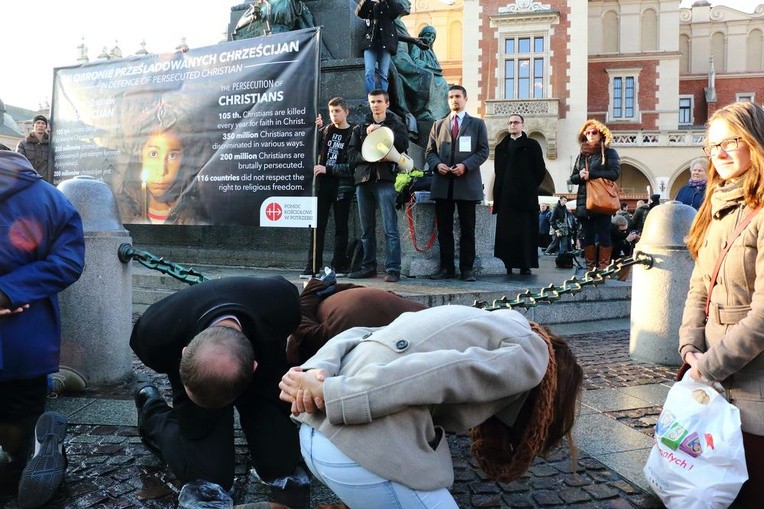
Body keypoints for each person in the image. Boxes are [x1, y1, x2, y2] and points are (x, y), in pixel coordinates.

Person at [279, 305, 583, 509]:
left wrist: (314, 374)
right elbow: (440, 371)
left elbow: (363, 333)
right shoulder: (532, 355)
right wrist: (335, 395)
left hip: (313, 436)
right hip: (360, 451)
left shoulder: (485, 320)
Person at [129, 276, 307, 501]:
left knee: (280, 465)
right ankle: (152, 410)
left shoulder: (281, 304)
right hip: (199, 368)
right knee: (210, 477)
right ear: (183, 353)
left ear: (253, 368)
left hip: (263, 371)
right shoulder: (155, 334)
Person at [678, 101, 764, 508]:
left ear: (755, 141)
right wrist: (689, 344)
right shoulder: (715, 206)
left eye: (731, 141)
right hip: (710, 378)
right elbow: (699, 286)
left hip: (752, 391)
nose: (721, 153)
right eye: (713, 146)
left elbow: (763, 318)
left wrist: (707, 366)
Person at [0, 151, 85, 508]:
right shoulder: (50, 199)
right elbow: (67, 262)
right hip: (26, 336)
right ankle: (29, 455)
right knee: (22, 411)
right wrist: (9, 292)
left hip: (23, 338)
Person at [426, 85, 489, 282]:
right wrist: (437, 165)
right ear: (448, 100)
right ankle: (446, 268)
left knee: (467, 229)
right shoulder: (438, 124)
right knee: (444, 229)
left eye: (458, 96)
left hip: (467, 183)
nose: (454, 100)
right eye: (451, 97)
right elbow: (430, 152)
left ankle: (466, 269)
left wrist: (465, 165)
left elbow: (483, 151)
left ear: (465, 99)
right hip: (443, 184)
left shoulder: (477, 124)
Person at [286, 275, 425, 364]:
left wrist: (313, 290)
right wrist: (313, 289)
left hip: (408, 321)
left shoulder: (327, 335)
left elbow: (301, 327)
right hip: (416, 316)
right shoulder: (327, 313)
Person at [347, 89, 409, 283]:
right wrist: (368, 153)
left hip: (385, 180)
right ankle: (368, 266)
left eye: (379, 101)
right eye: (372, 102)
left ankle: (393, 268)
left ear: (387, 104)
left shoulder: (396, 125)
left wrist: (381, 133)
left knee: (390, 228)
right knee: (367, 229)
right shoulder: (359, 128)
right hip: (364, 181)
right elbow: (351, 154)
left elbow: (402, 144)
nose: (375, 105)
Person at [113, 98, 205, 225]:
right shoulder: (120, 214)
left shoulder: (195, 218)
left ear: (184, 158)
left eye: (172, 155)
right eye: (153, 154)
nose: (162, 170)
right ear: (140, 155)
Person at [302, 97, 358, 277]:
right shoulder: (326, 131)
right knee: (317, 226)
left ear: (346, 112)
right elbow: (311, 148)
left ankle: (339, 266)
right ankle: (312, 267)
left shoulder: (354, 133)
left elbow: (352, 166)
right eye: (331, 112)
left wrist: (328, 168)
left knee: (341, 227)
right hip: (322, 186)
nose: (334, 115)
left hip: (342, 187)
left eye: (337, 111)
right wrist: (315, 130)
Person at [490, 114, 546, 276]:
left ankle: (525, 265)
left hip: (525, 197)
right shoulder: (501, 146)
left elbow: (539, 170)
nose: (513, 125)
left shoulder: (532, 145)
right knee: (506, 232)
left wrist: (529, 186)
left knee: (525, 232)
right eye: (510, 123)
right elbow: (498, 171)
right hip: (506, 196)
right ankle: (506, 264)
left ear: (522, 125)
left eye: (516, 122)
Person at [570, 119, 621, 271]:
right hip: (584, 201)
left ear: (601, 134)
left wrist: (591, 174)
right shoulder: (582, 156)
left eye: (594, 132)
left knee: (604, 234)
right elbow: (572, 178)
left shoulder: (610, 152)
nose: (590, 135)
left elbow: (614, 173)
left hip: (602, 201)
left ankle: (603, 267)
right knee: (587, 236)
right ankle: (590, 267)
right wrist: (580, 176)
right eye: (587, 133)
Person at [356, 0, 405, 93]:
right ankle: (370, 99)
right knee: (369, 72)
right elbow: (359, 13)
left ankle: (381, 99)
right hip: (370, 42)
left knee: (383, 74)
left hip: (385, 43)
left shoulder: (389, 5)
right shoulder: (371, 5)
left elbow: (397, 11)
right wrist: (364, 1)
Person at [15, 115, 51, 182]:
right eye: (38, 123)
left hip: (45, 182)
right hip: (27, 181)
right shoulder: (23, 144)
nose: (40, 125)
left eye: (43, 123)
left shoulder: (51, 145)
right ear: (33, 125)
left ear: (46, 126)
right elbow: (19, 163)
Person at [609, 215, 639, 281]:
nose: (624, 232)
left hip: (621, 259)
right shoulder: (609, 234)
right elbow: (612, 250)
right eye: (622, 231)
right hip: (610, 260)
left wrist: (635, 241)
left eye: (625, 230)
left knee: (629, 260)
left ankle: (622, 280)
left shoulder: (626, 232)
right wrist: (625, 241)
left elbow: (628, 252)